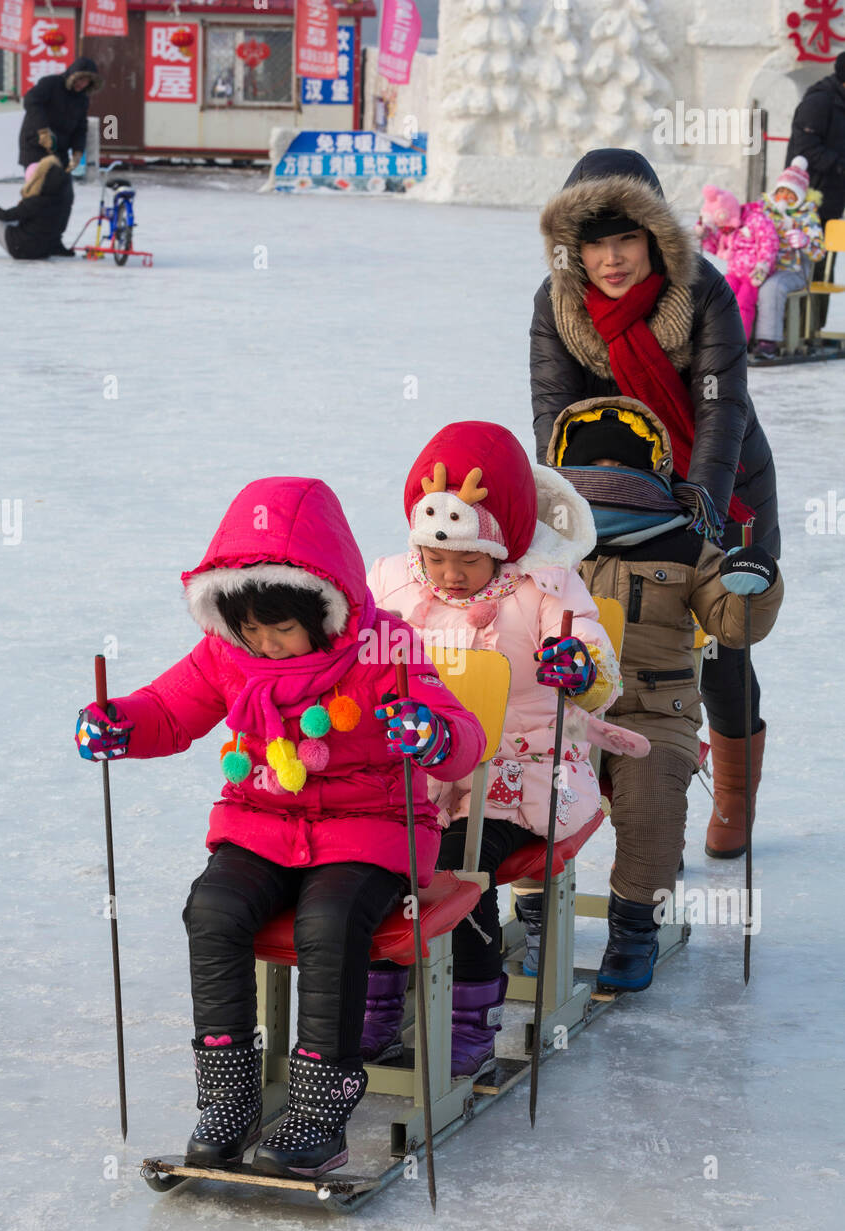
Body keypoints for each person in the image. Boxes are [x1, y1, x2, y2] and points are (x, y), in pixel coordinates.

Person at [73, 476, 484, 1179]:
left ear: (325, 611)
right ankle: (229, 1099)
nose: (263, 643)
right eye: (250, 628)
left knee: (327, 920)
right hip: (262, 823)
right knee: (213, 908)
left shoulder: (383, 648)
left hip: (371, 827)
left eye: (279, 627)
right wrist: (120, 723)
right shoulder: (227, 654)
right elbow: (169, 711)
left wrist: (433, 734)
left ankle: (322, 1110)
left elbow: (462, 730)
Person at [530, 146, 780, 859]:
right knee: (599, 631)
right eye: (595, 243)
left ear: (654, 236)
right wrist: (564, 511)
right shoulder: (557, 307)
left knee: (722, 637)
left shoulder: (703, 293)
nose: (612, 259)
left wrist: (701, 499)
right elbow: (556, 418)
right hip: (608, 493)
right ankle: (615, 780)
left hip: (727, 488)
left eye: (627, 239)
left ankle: (733, 794)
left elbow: (721, 408)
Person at [365, 421, 634, 1075]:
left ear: (502, 544)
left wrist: (580, 666)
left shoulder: (544, 590)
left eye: (468, 559)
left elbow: (598, 665)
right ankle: (374, 1004)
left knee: (459, 861)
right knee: (372, 851)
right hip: (422, 763)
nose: (450, 575)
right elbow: (361, 655)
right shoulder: (396, 587)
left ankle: (471, 1015)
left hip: (530, 765)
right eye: (436, 557)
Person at [549, 399, 783, 986]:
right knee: (520, 788)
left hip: (653, 711)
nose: (605, 481)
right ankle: (535, 917)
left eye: (617, 467)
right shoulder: (548, 548)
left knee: (652, 806)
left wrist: (755, 584)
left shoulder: (684, 547)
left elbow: (732, 627)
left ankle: (634, 928)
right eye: (590, 468)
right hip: (561, 711)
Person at [786, 51, 845, 326]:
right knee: (798, 261)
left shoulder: (840, 102)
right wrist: (840, 164)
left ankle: (815, 326)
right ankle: (791, 327)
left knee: (825, 260)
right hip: (806, 198)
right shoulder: (820, 102)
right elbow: (805, 148)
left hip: (831, 197)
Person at [753, 157, 825, 359]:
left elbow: (819, 252)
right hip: (762, 266)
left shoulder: (807, 216)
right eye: (781, 191)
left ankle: (768, 342)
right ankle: (736, 337)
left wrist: (805, 242)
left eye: (791, 193)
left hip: (793, 271)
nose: (784, 197)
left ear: (800, 197)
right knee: (737, 283)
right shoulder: (764, 210)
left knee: (771, 288)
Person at [695, 184, 779, 342]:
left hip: (753, 274)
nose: (724, 230)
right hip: (734, 273)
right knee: (720, 297)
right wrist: (705, 235)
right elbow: (716, 246)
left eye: (725, 227)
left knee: (743, 303)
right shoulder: (727, 228)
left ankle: (738, 342)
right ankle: (715, 338)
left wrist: (763, 265)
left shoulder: (756, 220)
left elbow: (769, 242)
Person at [0, 156, 74, 261]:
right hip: (45, 251)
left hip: (22, 249)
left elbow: (6, 216)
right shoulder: (61, 201)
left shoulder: (36, 201)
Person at [19, 56, 102, 172]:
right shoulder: (51, 83)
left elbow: (80, 127)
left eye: (87, 81)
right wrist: (43, 130)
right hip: (35, 146)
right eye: (80, 79)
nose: (82, 84)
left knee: (63, 188)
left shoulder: (82, 99)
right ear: (73, 75)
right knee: (38, 187)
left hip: (60, 150)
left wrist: (77, 151)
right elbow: (31, 101)